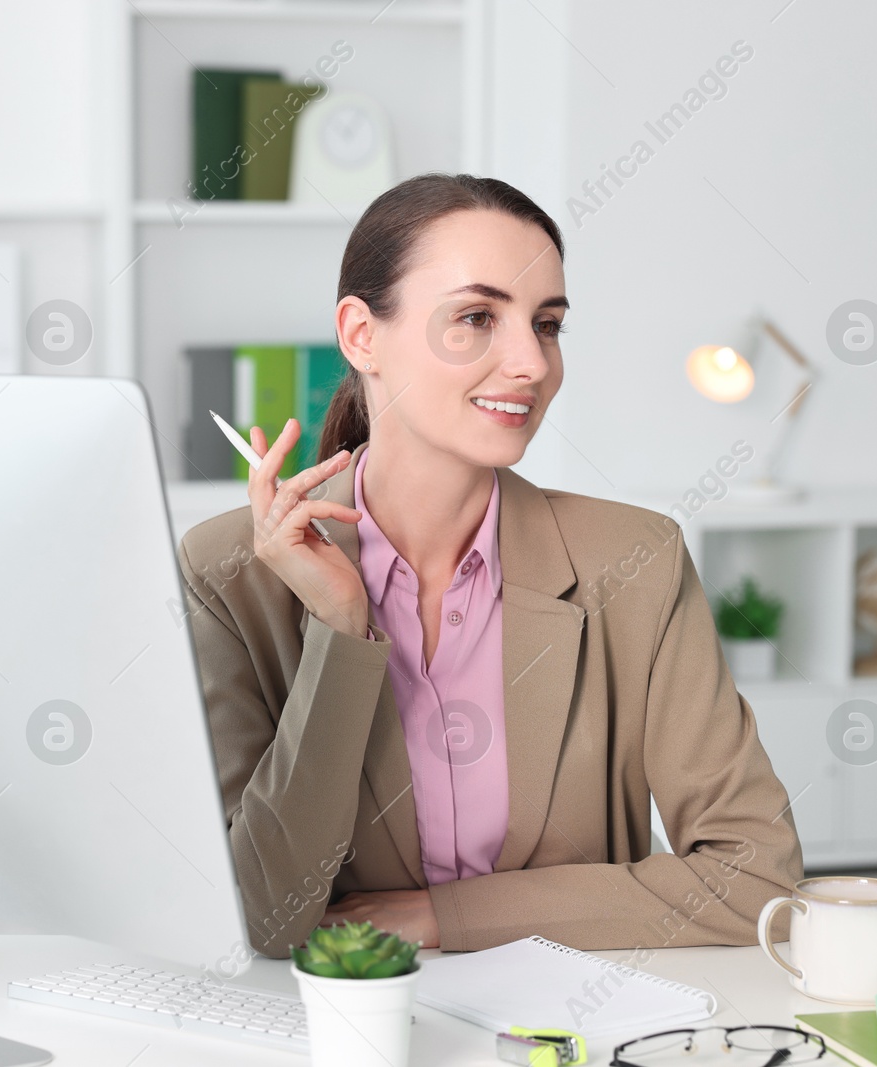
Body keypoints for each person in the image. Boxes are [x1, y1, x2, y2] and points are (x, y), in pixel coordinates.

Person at [176, 173, 802, 958]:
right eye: (476, 317)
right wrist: (340, 631)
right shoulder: (225, 574)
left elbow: (757, 880)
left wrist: (447, 917)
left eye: (546, 325)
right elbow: (266, 918)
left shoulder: (636, 560)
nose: (531, 363)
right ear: (361, 334)